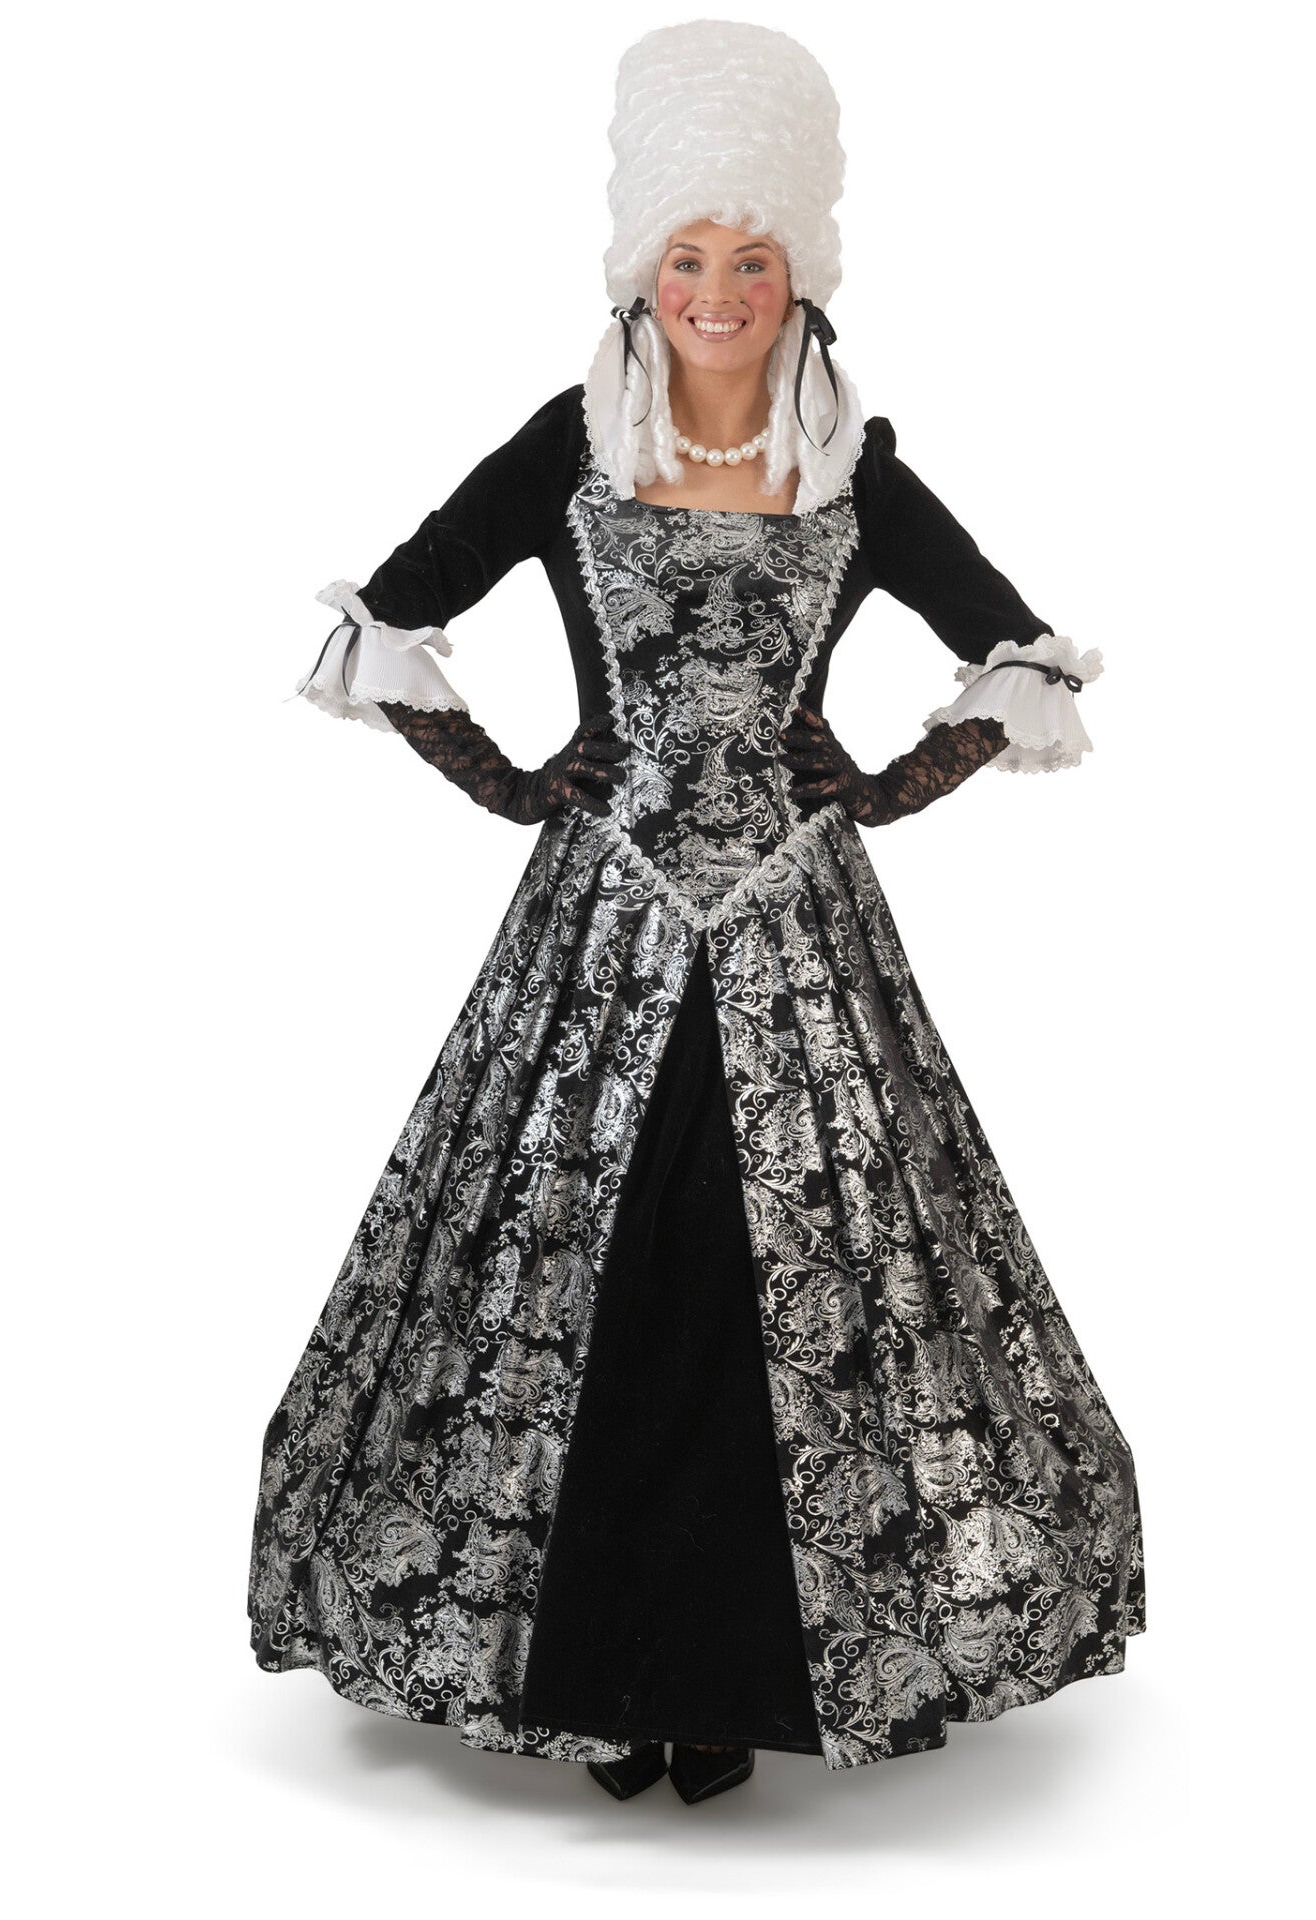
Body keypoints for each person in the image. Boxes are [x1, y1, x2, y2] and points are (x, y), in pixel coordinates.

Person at [250, 19, 1143, 1807]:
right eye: (687, 258)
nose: (717, 294)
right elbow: (391, 614)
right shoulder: (568, 448)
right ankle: (594, 1664)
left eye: (751, 260)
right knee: (590, 1259)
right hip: (601, 925)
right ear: (638, 271)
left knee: (781, 1268)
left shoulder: (854, 472)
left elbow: (1019, 651)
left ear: (801, 275)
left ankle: (734, 1680)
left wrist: (880, 786)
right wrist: (515, 782)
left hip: (803, 934)